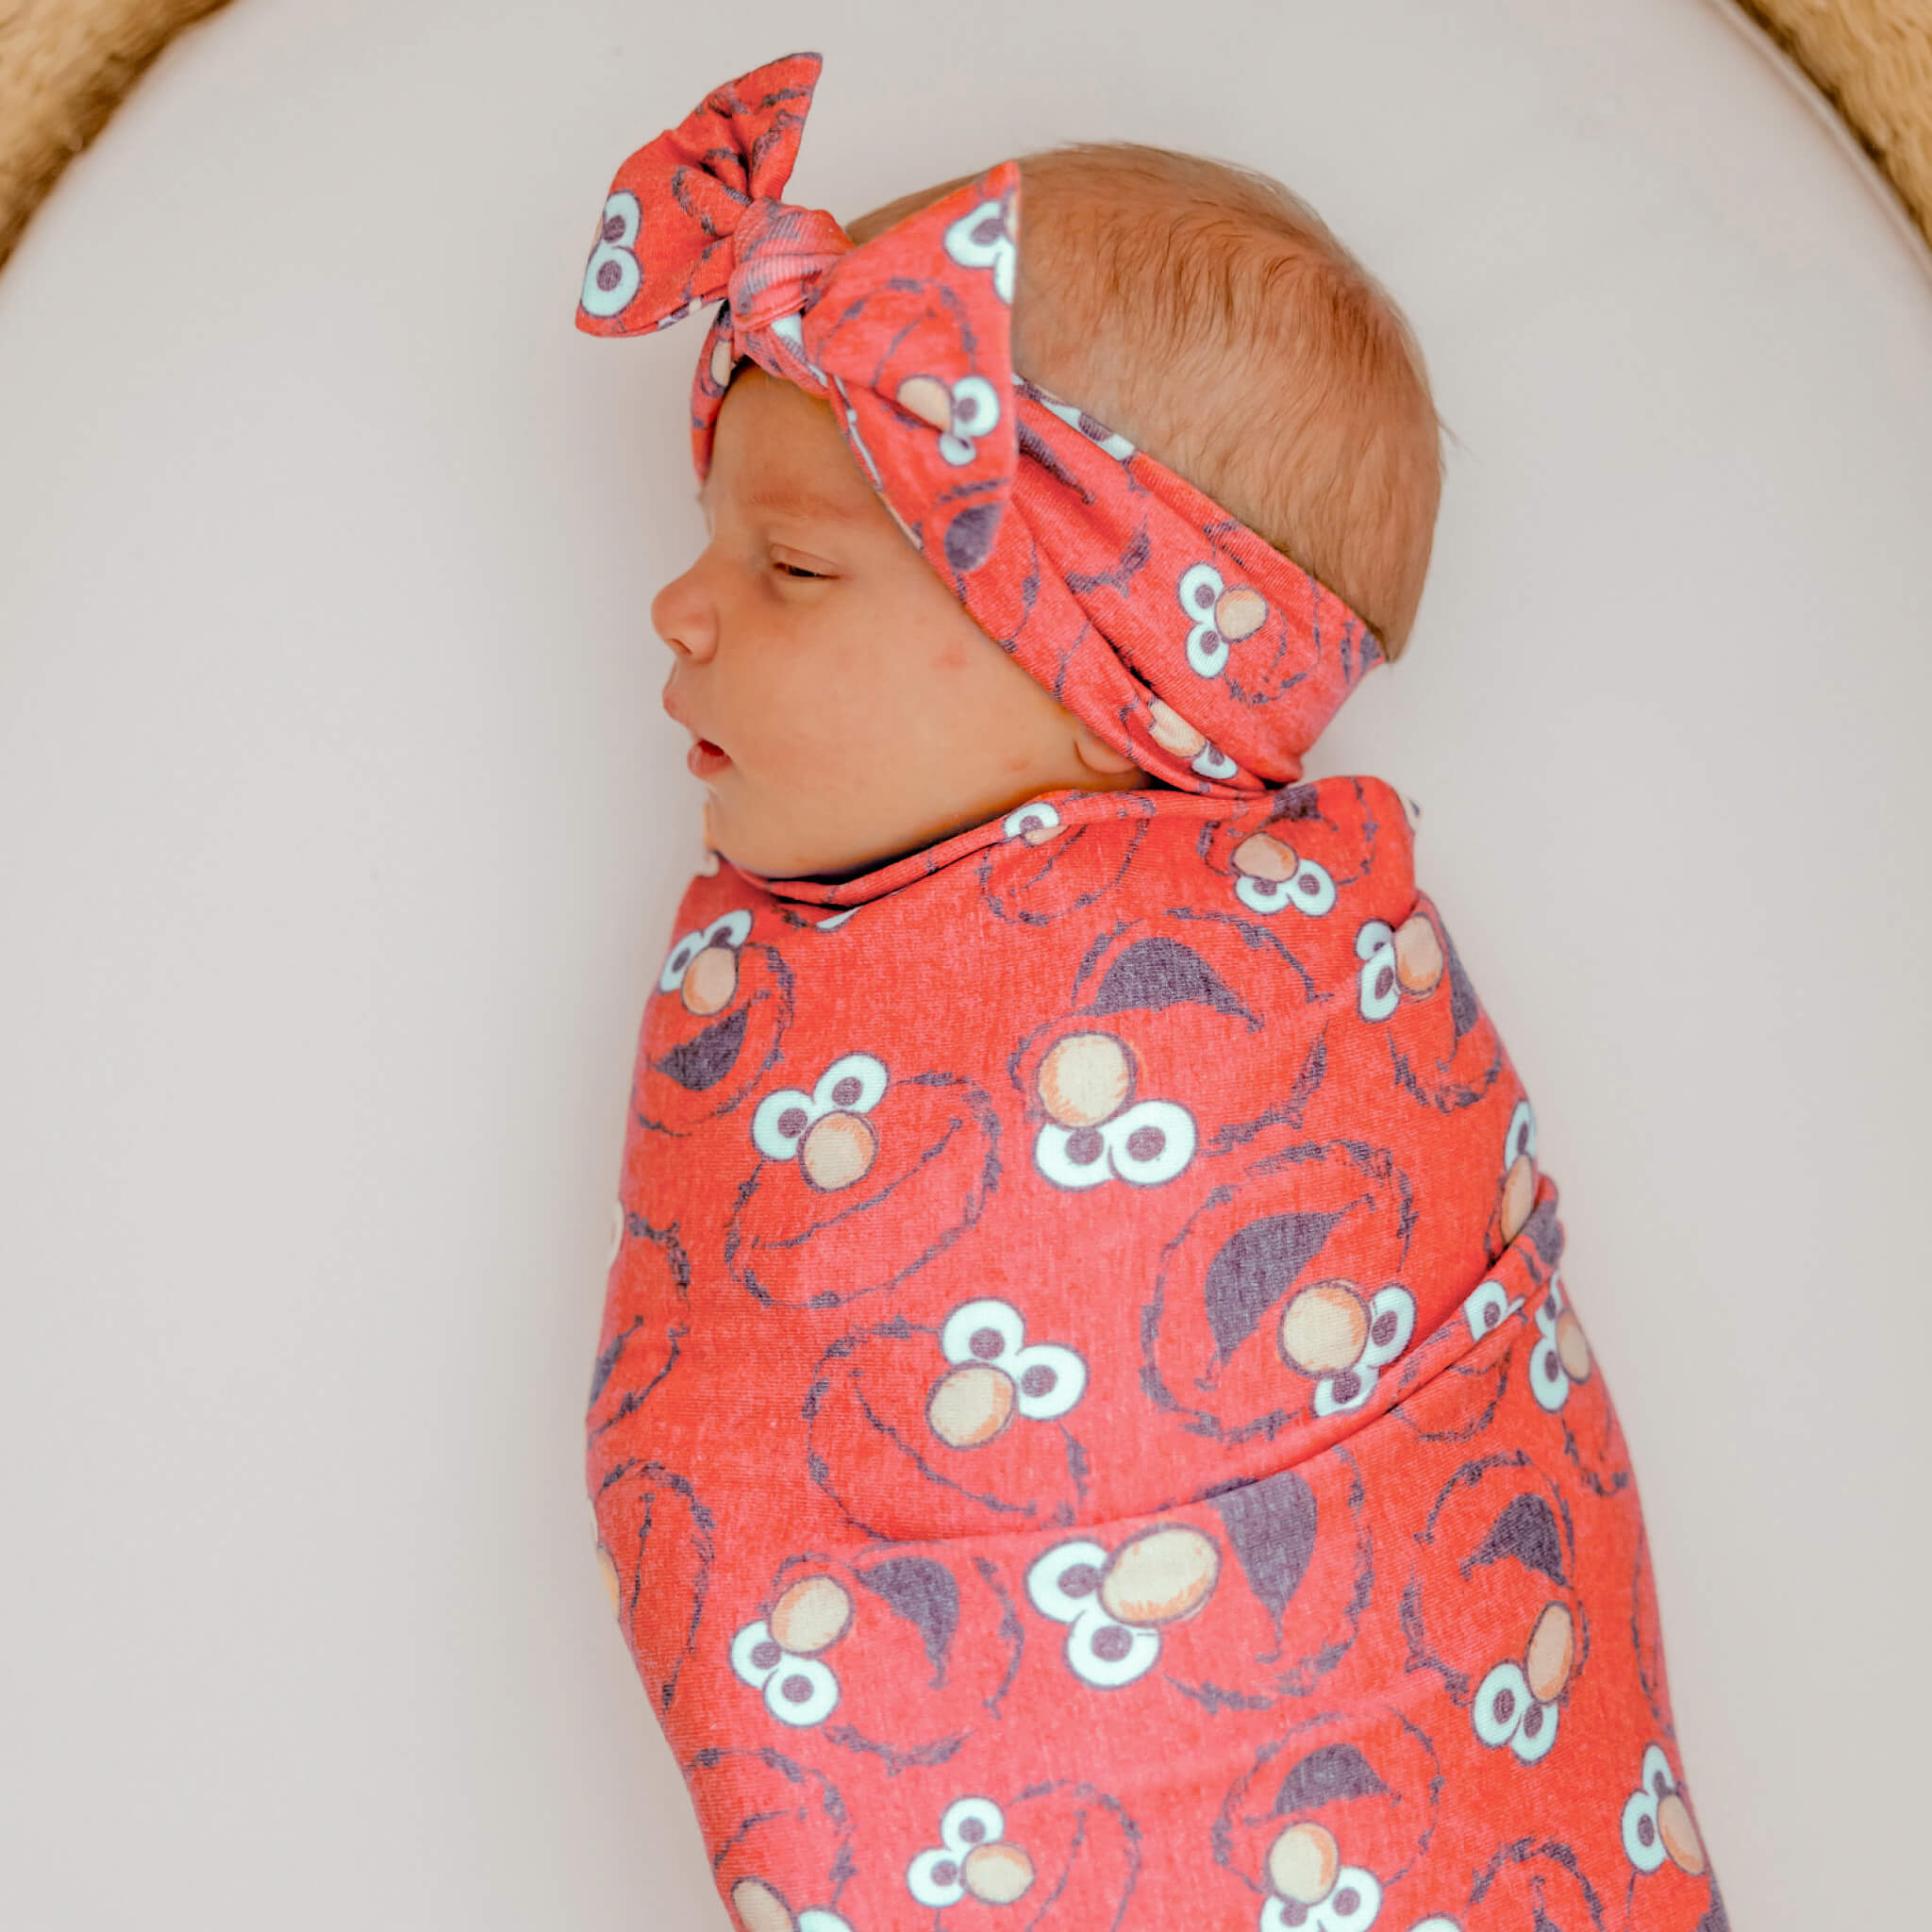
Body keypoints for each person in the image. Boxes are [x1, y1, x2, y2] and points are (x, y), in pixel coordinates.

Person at [581, 50, 1724, 1932]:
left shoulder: (1302, 990)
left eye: (789, 566)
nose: (677, 610)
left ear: (1101, 663)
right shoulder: (806, 976)